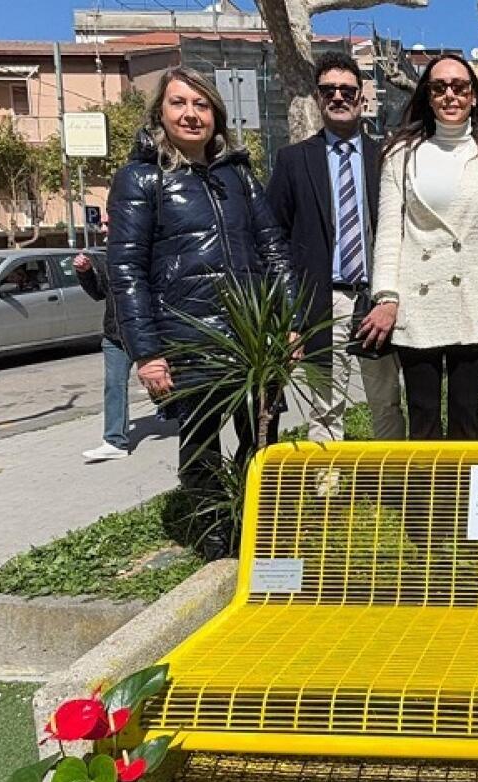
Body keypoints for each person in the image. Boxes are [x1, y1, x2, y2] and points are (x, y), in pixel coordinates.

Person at [108, 66, 295, 559]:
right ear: (160, 112)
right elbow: (126, 271)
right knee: (201, 442)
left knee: (263, 435)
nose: (191, 114)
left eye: (201, 104)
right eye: (179, 103)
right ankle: (217, 540)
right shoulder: (140, 179)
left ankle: (259, 528)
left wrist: (290, 324)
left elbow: (274, 251)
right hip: (190, 340)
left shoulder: (238, 176)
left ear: (216, 113)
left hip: (254, 340)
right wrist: (147, 354)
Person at [363, 54, 478, 440]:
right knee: (423, 417)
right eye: (439, 87)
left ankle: (463, 482)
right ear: (427, 96)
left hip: (473, 301)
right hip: (417, 302)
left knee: (466, 417)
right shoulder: (399, 155)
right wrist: (386, 297)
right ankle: (425, 484)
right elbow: (389, 235)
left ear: (474, 96)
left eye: (460, 87)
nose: (450, 95)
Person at [266, 51, 406, 442]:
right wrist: (288, 317)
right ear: (318, 97)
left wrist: (392, 298)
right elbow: (274, 239)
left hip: (378, 300)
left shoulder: (387, 157)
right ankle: (327, 480)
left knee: (386, 402)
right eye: (329, 91)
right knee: (325, 407)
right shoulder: (293, 161)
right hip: (323, 302)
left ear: (362, 97)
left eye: (347, 90)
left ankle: (391, 474)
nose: (338, 97)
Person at [76, 215, 133, 462]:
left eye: (108, 224)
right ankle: (115, 441)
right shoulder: (106, 256)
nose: (102, 229)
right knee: (114, 385)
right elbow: (99, 293)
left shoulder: (145, 251)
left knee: (171, 381)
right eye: (102, 224)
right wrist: (85, 273)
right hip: (115, 335)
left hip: (145, 332)